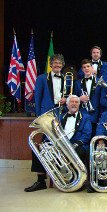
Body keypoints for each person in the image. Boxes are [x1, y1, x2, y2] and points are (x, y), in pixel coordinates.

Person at [24, 95, 91, 192]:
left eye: (76, 102)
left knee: (80, 152)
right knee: (38, 150)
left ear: (79, 105)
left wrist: (76, 144)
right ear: (67, 105)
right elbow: (51, 133)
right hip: (59, 145)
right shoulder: (59, 117)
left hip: (77, 145)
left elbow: (87, 135)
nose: (74, 104)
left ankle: (76, 180)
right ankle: (41, 181)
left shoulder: (86, 117)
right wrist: (45, 142)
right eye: (71, 102)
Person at [25, 54, 69, 192]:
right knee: (43, 147)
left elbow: (72, 97)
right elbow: (37, 98)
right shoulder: (42, 78)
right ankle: (40, 179)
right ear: (51, 64)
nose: (57, 65)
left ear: (62, 65)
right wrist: (40, 119)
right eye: (55, 63)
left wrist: (65, 99)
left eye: (60, 63)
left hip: (62, 117)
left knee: (63, 146)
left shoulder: (67, 79)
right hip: (47, 117)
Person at [74, 59, 101, 137]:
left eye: (88, 66)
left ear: (92, 68)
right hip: (82, 114)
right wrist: (79, 99)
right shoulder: (77, 83)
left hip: (95, 114)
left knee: (94, 137)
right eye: (84, 67)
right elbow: (74, 98)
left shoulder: (99, 82)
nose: (86, 68)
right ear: (82, 70)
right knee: (83, 136)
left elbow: (101, 98)